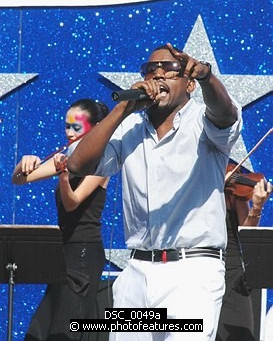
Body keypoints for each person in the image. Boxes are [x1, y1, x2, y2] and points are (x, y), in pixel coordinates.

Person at [67, 43, 243, 341]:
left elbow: (225, 115)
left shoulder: (204, 120)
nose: (158, 74)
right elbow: (78, 164)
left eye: (170, 69)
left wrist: (207, 76)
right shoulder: (129, 128)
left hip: (192, 273)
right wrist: (122, 109)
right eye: (151, 70)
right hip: (136, 272)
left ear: (189, 83)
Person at [12, 98, 110, 341]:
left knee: (65, 332)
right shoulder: (68, 156)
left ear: (96, 128)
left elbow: (73, 202)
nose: (68, 132)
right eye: (66, 126)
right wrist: (23, 163)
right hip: (63, 254)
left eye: (76, 128)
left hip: (84, 254)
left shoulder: (103, 160)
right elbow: (20, 180)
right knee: (39, 332)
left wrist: (64, 177)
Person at [216, 165, 272, 341]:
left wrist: (256, 208)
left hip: (232, 272)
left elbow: (244, 231)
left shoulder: (232, 183)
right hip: (194, 268)